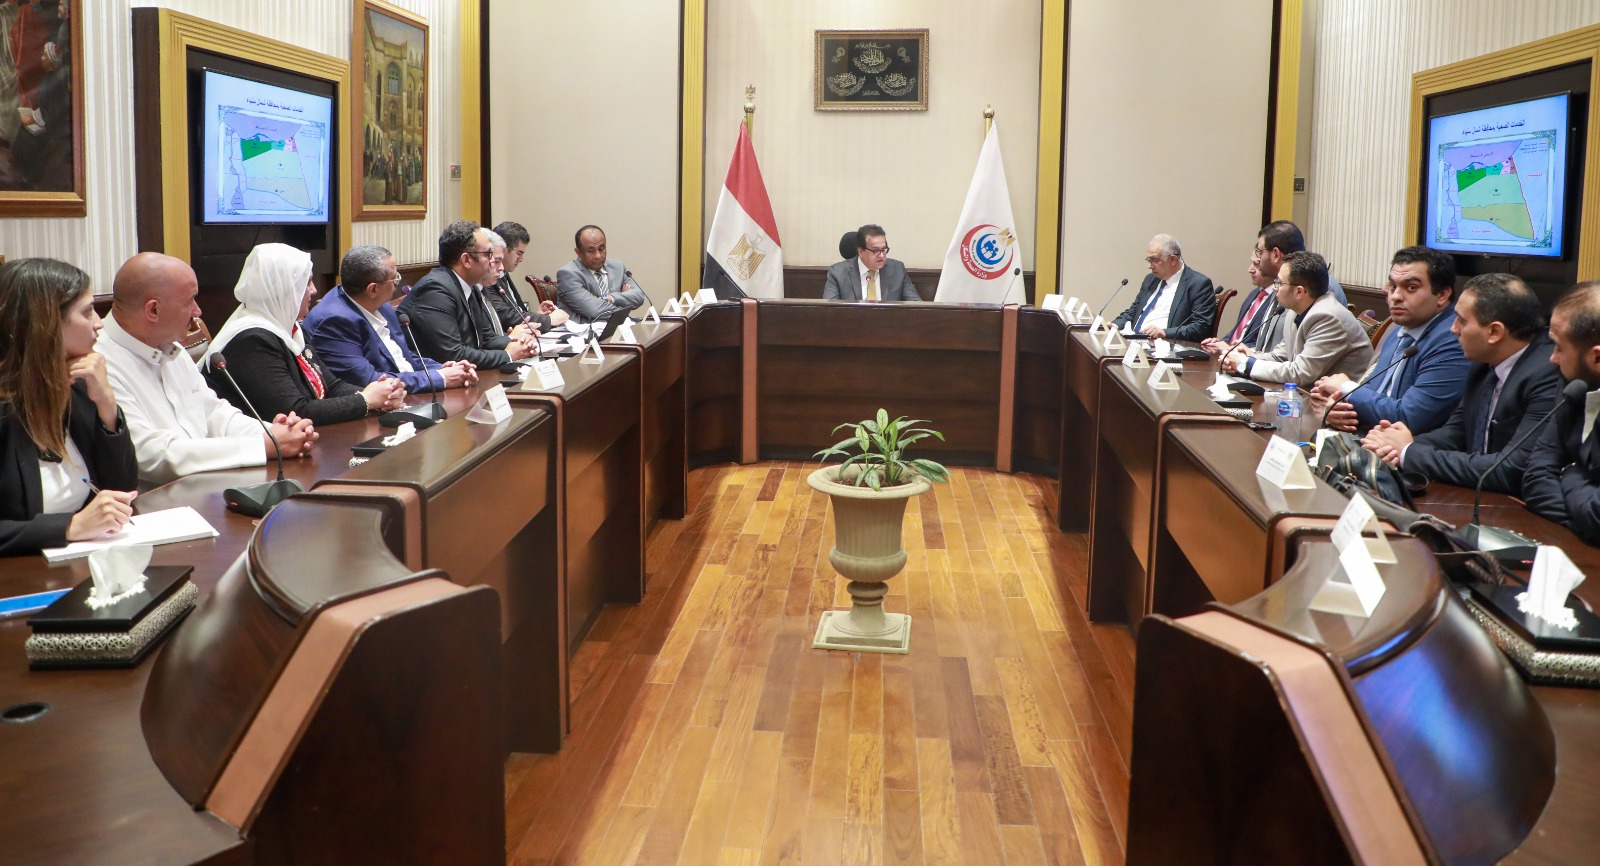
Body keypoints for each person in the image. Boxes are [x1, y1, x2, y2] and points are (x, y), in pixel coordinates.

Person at [98, 253, 317, 485]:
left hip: (206, 485)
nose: (198, 311)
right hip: (153, 500)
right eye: (190, 301)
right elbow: (151, 456)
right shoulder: (100, 364)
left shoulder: (169, 347)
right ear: (153, 310)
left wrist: (277, 434)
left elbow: (214, 413)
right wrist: (264, 445)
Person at [1362, 273, 1561, 493]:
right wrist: (1393, 444)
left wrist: (1408, 452)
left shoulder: (1547, 375)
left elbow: (1510, 469)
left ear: (1494, 332)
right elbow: (1456, 432)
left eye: (1462, 321)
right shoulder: (1484, 362)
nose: (1453, 328)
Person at [0, 258, 138, 555]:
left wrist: (107, 405)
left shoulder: (78, 387)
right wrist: (69, 527)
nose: (99, 323)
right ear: (46, 324)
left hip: (81, 562)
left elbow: (122, 491)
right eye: (87, 312)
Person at [204, 243, 407, 426]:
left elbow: (331, 385)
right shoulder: (251, 340)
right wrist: (365, 400)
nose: (314, 290)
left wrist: (381, 395)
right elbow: (295, 410)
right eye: (307, 283)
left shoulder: (289, 326)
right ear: (284, 289)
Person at [1307, 246, 1469, 437]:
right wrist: (1339, 410)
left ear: (1442, 295)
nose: (1396, 296)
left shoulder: (1453, 340)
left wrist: (1346, 388)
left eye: (1411, 288)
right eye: (1393, 286)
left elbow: (1408, 418)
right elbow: (1373, 391)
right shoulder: (1400, 329)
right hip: (1365, 440)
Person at [303, 244, 478, 393]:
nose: (396, 284)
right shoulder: (334, 322)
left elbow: (404, 357)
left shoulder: (382, 306)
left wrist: (444, 368)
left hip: (406, 394)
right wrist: (440, 378)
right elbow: (370, 381)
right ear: (373, 289)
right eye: (395, 279)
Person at [1520, 281, 1600, 541]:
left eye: (1559, 347)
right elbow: (1535, 477)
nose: (1552, 358)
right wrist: (1585, 523)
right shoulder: (1572, 384)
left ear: (1597, 358)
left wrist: (1569, 472)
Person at [1220, 251, 1371, 387]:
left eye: (1279, 283)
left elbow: (1301, 373)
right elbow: (1280, 356)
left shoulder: (1327, 317)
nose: (1274, 288)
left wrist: (1245, 365)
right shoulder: (1295, 311)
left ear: (1299, 292)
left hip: (1341, 404)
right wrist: (1246, 357)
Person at [400, 220, 537, 368]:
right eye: (488, 254)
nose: (492, 261)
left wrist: (519, 344)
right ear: (466, 260)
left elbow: (487, 338)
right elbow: (453, 354)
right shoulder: (435, 290)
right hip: (436, 376)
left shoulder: (470, 286)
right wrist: (508, 355)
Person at [1204, 221, 1346, 356]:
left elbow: (1300, 360)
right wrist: (1245, 358)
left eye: (1260, 252)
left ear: (1276, 255)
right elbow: (1279, 352)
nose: (1258, 260)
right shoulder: (1282, 282)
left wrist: (1247, 361)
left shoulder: (1319, 287)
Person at [1109, 234, 1214, 342]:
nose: (1149, 266)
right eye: (1148, 260)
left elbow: (1200, 327)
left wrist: (1164, 333)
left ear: (1172, 259)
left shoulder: (1198, 284)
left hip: (1164, 345)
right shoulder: (1150, 279)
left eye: (1154, 260)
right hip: (1134, 342)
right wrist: (1114, 325)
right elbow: (1134, 311)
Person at [556, 224, 649, 324]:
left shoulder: (618, 267)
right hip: (585, 331)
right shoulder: (568, 274)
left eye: (601, 249)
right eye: (590, 251)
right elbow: (594, 310)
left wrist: (610, 298)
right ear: (578, 252)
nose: (598, 256)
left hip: (616, 327)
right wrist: (624, 300)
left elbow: (639, 297)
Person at [487, 220, 568, 332]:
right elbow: (505, 316)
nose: (521, 259)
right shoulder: (486, 278)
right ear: (503, 249)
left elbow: (518, 311)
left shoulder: (503, 273)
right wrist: (549, 320)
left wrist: (538, 315)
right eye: (519, 253)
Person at [824, 224, 921, 301]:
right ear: (861, 252)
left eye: (884, 249)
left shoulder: (897, 269)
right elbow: (830, 311)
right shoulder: (837, 273)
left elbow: (916, 306)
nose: (882, 255)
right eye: (876, 251)